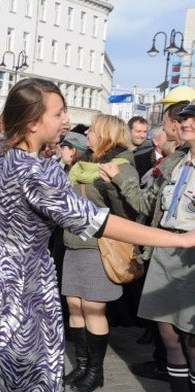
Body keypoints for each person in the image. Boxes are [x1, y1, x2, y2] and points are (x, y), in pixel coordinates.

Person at [0, 78, 195, 392]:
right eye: (59, 113)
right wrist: (180, 239)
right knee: (22, 379)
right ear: (34, 123)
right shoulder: (38, 172)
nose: (66, 120)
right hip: (22, 289)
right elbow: (99, 222)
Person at [99, 101, 195, 392]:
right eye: (185, 118)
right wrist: (120, 178)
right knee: (168, 335)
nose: (187, 122)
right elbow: (145, 203)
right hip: (164, 251)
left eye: (193, 118)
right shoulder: (175, 163)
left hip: (192, 258)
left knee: (192, 338)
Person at [61, 114, 140, 391]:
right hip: (73, 243)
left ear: (106, 133)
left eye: (93, 130)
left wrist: (112, 185)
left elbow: (130, 212)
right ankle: (82, 367)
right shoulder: (84, 164)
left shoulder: (121, 166)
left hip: (99, 247)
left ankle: (96, 372)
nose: (88, 134)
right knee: (74, 306)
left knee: (93, 309)